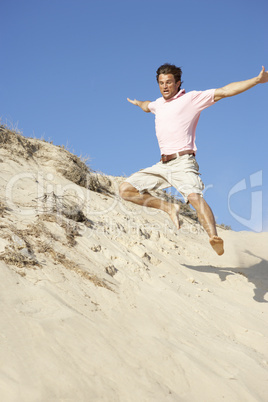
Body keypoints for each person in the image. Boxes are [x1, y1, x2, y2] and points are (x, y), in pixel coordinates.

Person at [119, 64, 268, 255]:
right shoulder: (158, 104)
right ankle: (168, 207)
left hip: (183, 162)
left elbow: (225, 91)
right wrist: (138, 102)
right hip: (162, 164)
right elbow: (146, 106)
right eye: (161, 83)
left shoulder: (191, 99)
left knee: (194, 197)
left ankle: (213, 236)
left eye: (169, 83)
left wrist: (256, 80)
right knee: (125, 190)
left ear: (178, 83)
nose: (165, 87)